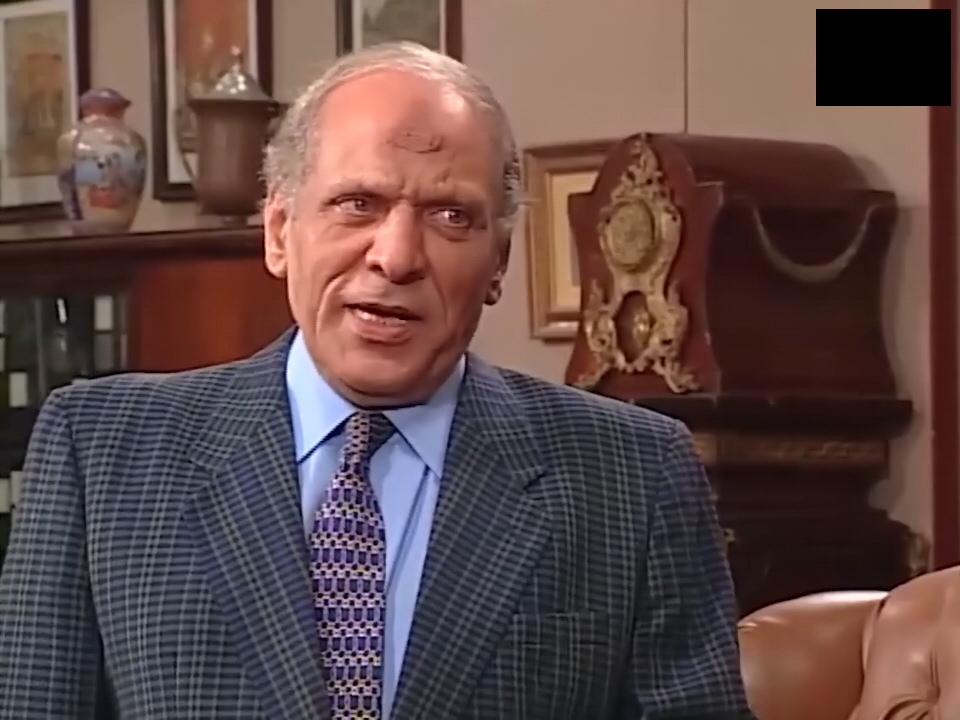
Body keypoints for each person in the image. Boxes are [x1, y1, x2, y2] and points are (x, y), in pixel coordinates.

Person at [0, 42, 754, 720]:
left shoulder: (630, 476)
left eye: (450, 216)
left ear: (498, 262)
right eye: (357, 204)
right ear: (279, 232)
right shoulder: (102, 452)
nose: (396, 256)